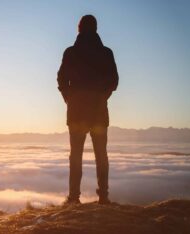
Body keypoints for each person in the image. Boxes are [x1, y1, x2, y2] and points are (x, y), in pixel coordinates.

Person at [57, 15, 119, 205]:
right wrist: (102, 97)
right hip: (99, 112)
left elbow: (61, 80)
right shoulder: (106, 52)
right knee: (101, 154)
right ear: (96, 28)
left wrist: (69, 99)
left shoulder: (71, 52)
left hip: (76, 112)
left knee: (76, 155)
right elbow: (114, 81)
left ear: (79, 28)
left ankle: (74, 197)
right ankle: (104, 197)